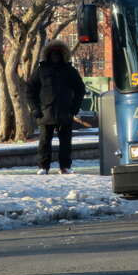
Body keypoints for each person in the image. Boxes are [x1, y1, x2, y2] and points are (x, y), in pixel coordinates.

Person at [27, 39, 86, 174]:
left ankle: (65, 167)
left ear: (62, 55)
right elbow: (30, 89)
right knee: (44, 141)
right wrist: (35, 108)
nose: (55, 57)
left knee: (65, 142)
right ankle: (43, 167)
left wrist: (74, 109)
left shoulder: (69, 70)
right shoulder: (41, 70)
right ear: (48, 55)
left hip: (65, 112)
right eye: (53, 54)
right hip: (45, 112)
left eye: (58, 54)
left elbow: (80, 89)